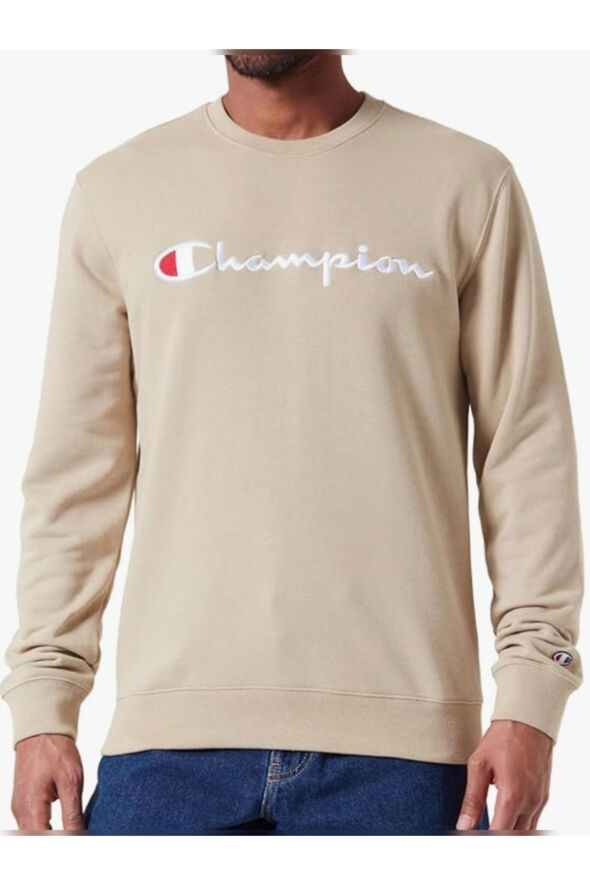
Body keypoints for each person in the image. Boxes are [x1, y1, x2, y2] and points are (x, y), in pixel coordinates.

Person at [1, 50, 583, 835]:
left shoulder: (467, 182)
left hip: (407, 749)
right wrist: (42, 703)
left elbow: (527, 448)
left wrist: (533, 696)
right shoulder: (118, 191)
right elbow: (76, 477)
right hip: (169, 748)